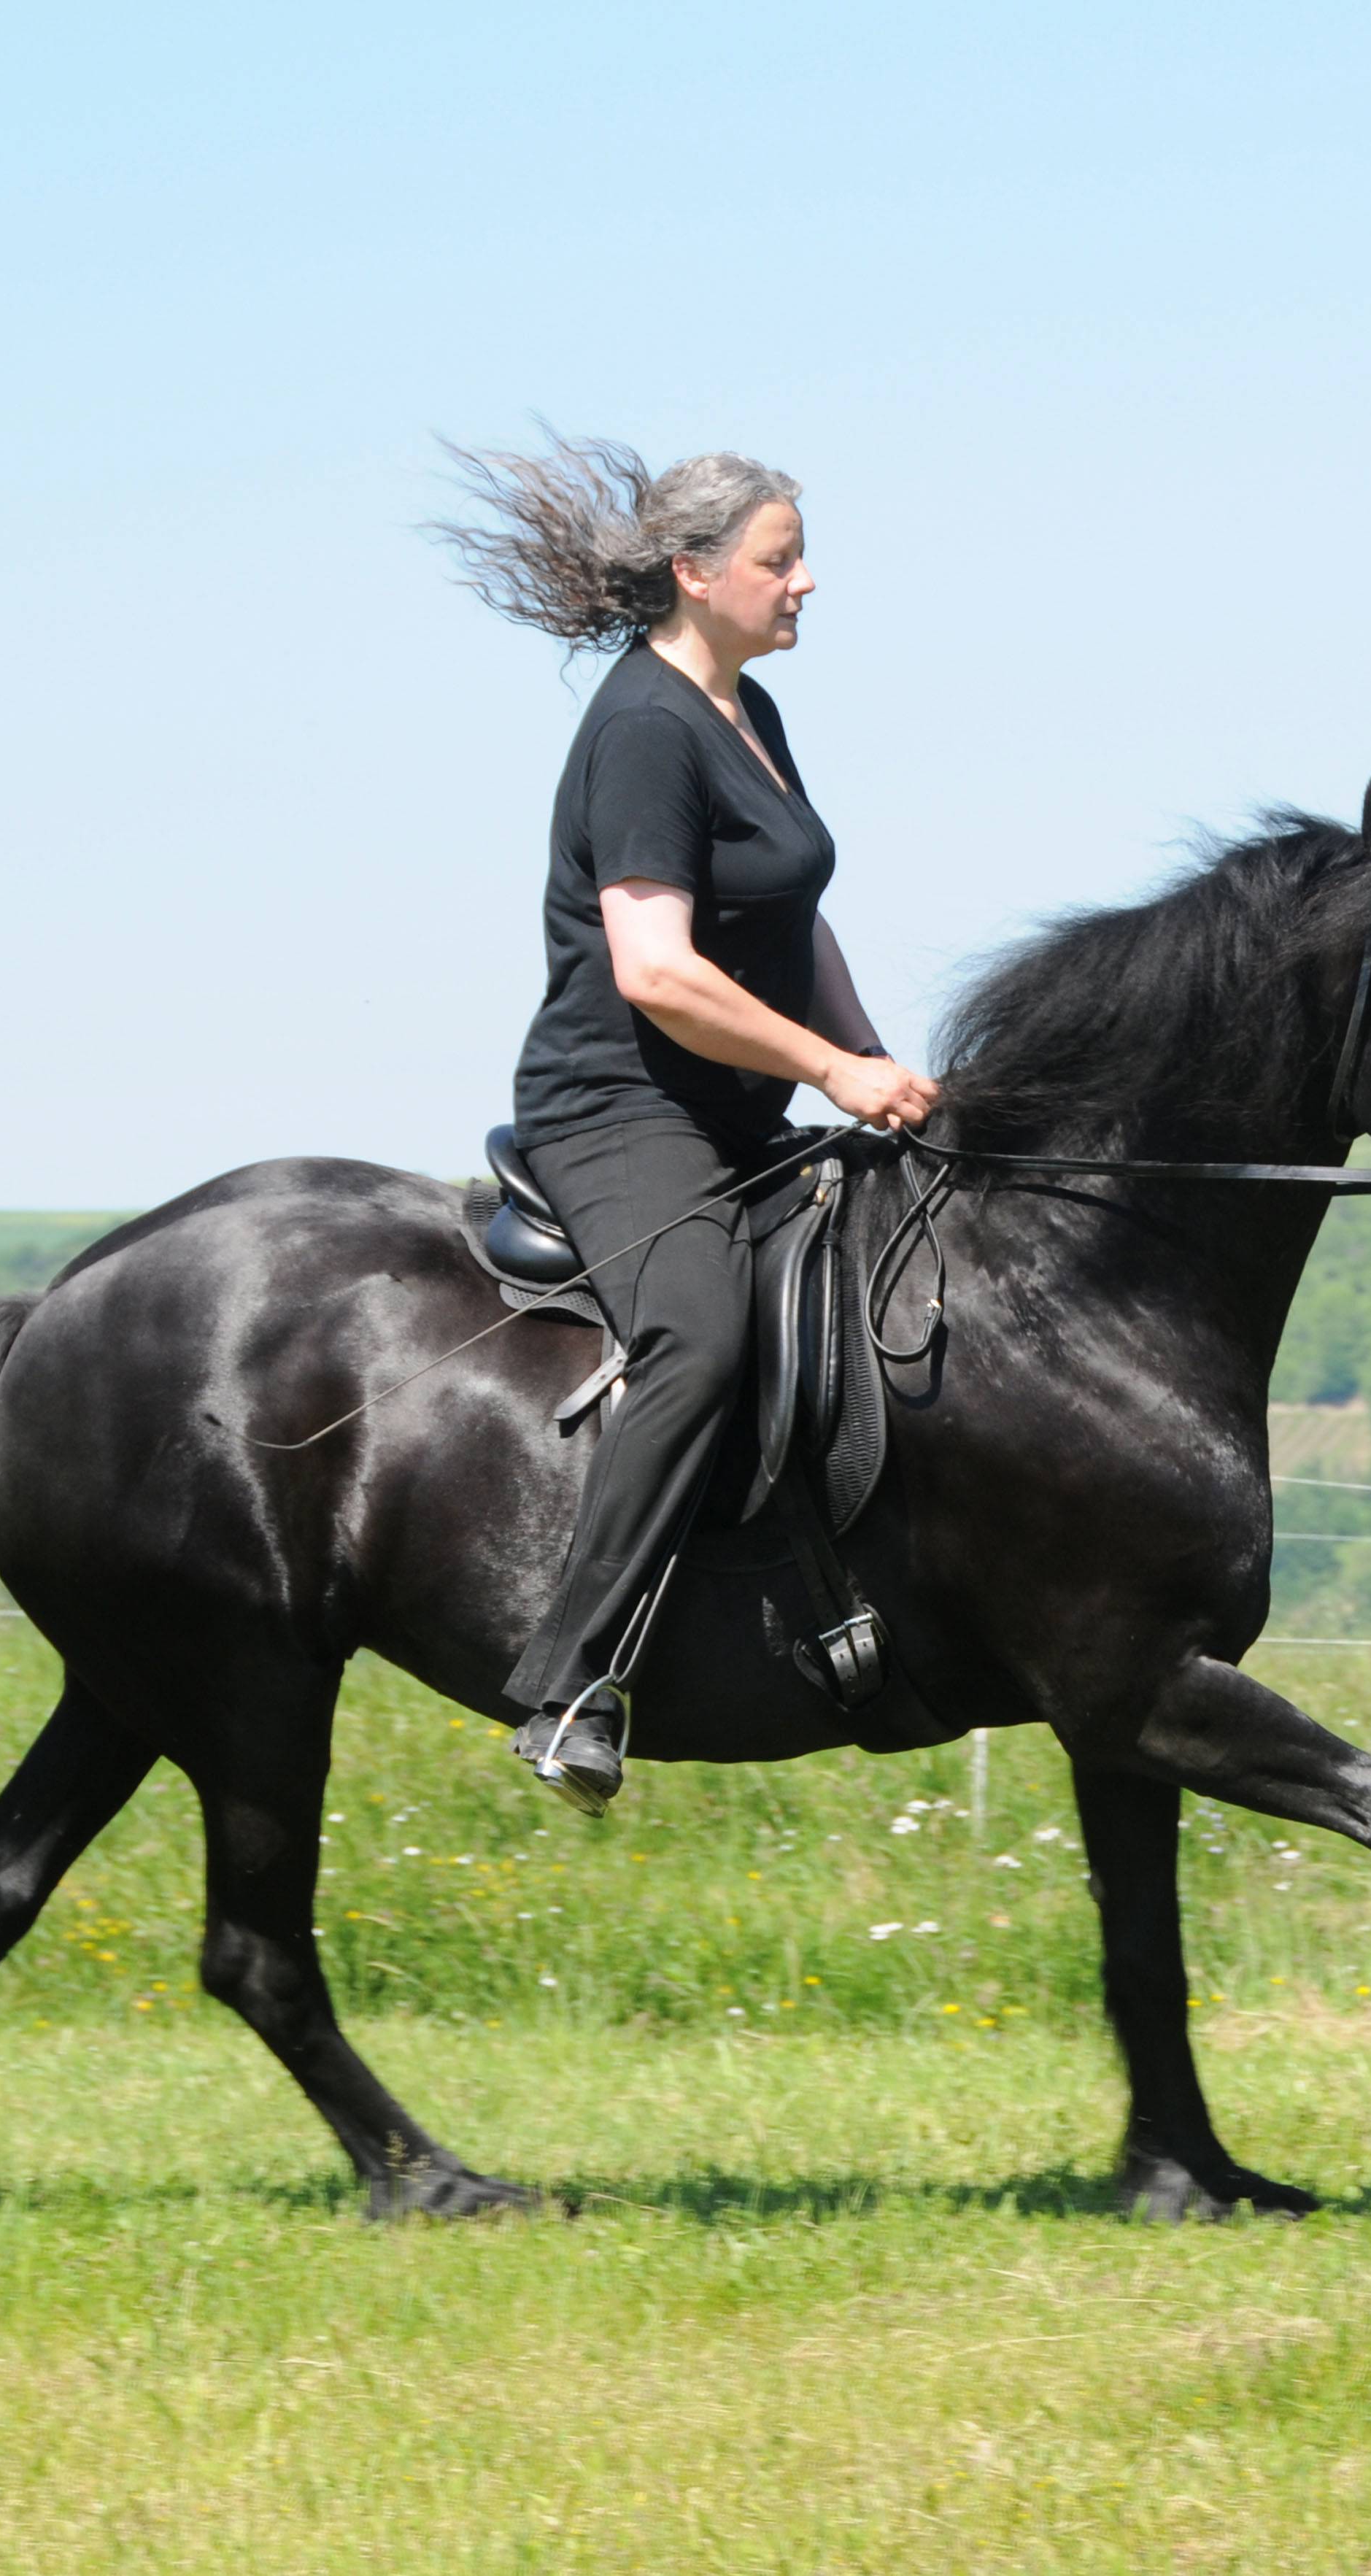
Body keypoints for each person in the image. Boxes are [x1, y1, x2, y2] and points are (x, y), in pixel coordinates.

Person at [438, 437, 939, 1810]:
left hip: (734, 1101)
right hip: (622, 1106)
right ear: (697, 573)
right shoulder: (647, 729)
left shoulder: (747, 713)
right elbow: (656, 971)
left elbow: (794, 913)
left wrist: (877, 1063)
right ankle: (572, 1679)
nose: (806, 582)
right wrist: (832, 1075)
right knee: (702, 1329)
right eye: (782, 561)